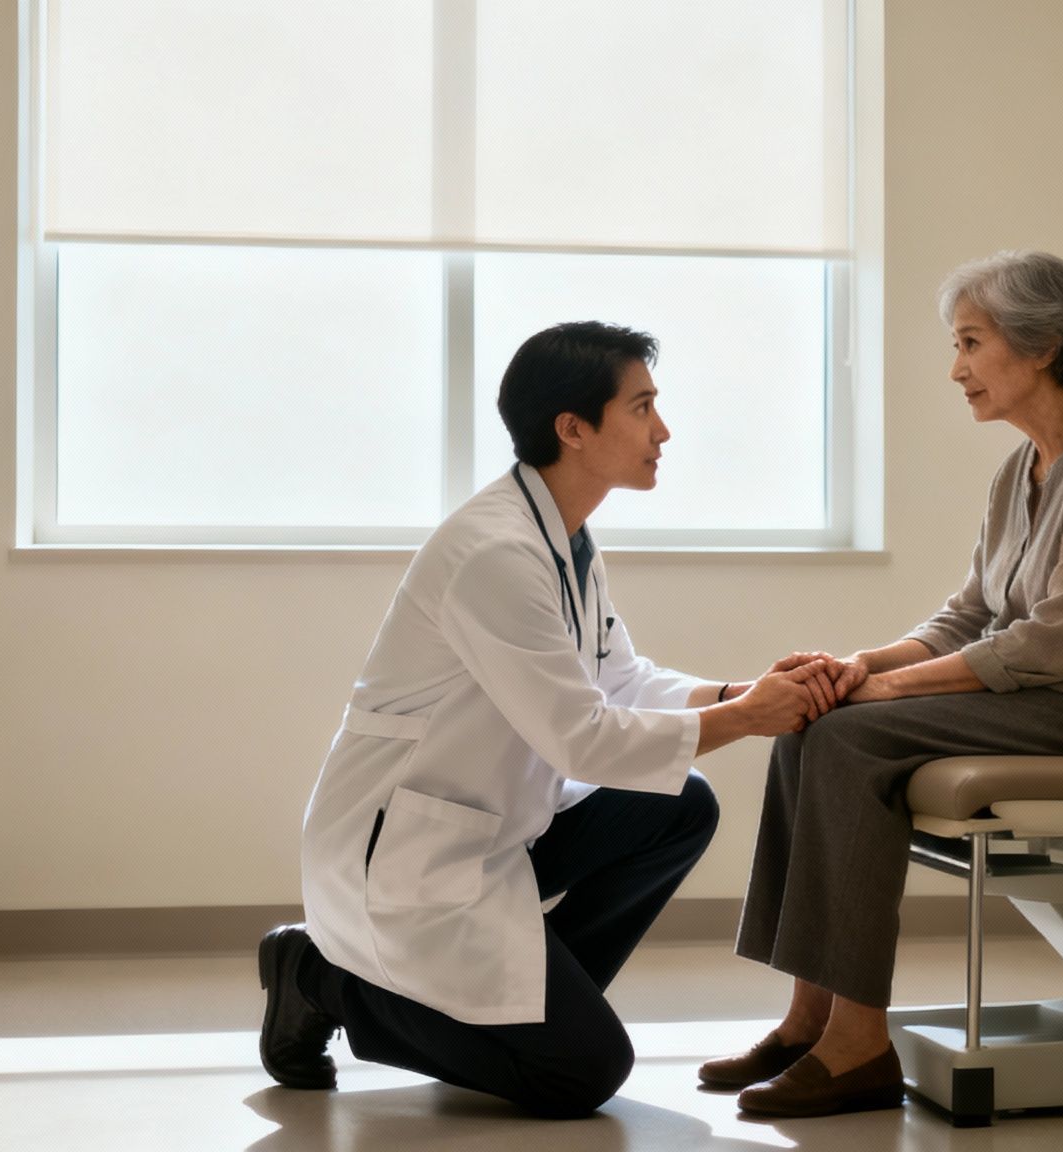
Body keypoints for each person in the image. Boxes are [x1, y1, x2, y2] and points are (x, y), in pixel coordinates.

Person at [257, 321, 840, 1119]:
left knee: (681, 803)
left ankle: (511, 1016)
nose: (662, 430)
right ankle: (317, 976)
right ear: (573, 428)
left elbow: (618, 678)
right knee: (581, 1075)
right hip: (400, 854)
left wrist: (742, 692)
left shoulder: (562, 538)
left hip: (481, 832)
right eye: (641, 408)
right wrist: (748, 718)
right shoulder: (494, 553)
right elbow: (582, 739)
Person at [702, 250, 1063, 1118]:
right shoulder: (1022, 468)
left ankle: (860, 1046)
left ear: (1043, 344)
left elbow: (1054, 643)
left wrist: (883, 699)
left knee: (851, 734)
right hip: (1055, 698)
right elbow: (970, 614)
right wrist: (859, 667)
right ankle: (810, 1018)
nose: (956, 369)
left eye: (972, 344)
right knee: (810, 721)